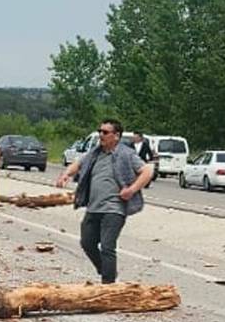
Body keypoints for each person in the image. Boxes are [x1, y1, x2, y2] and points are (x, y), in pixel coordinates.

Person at [56, 118, 153, 284]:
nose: (101, 135)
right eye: (100, 131)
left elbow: (147, 170)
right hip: (93, 208)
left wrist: (131, 189)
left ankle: (108, 284)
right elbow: (78, 164)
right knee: (87, 243)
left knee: (107, 246)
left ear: (116, 136)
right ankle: (106, 270)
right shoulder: (94, 153)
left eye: (105, 132)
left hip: (114, 210)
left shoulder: (126, 154)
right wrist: (66, 174)